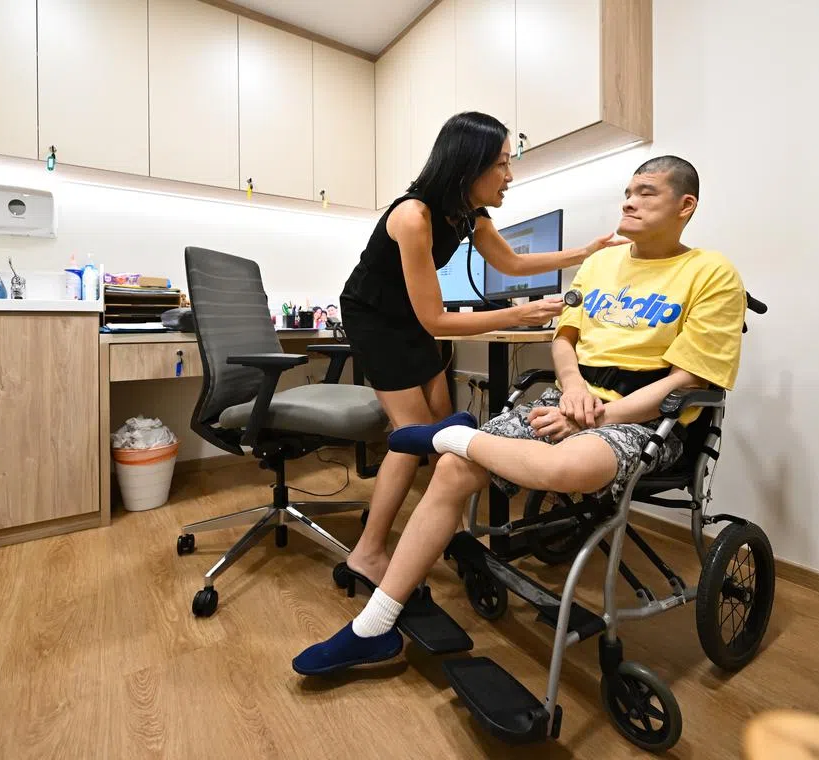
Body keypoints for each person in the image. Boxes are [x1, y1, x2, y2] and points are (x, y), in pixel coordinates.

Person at [294, 155, 748, 675]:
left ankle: (450, 437)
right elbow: (566, 339)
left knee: (561, 470)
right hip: (568, 402)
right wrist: (573, 387)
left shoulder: (712, 273)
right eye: (627, 191)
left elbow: (687, 380)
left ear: (685, 206)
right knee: (454, 472)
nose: (629, 200)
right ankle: (372, 627)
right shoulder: (601, 264)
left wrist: (596, 418)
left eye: (646, 192)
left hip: (643, 420)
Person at [337, 111, 626, 590]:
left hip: (410, 316)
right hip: (375, 318)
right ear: (468, 165)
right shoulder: (413, 216)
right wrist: (518, 315)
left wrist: (582, 254)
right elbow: (435, 319)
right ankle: (367, 554)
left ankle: (449, 528)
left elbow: (510, 262)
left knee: (444, 424)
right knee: (412, 435)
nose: (509, 176)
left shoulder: (468, 212)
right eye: (502, 164)